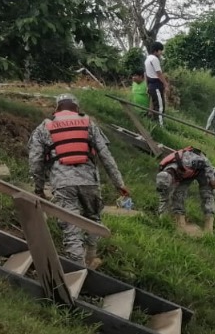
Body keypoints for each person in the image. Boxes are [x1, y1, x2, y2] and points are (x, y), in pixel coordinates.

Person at [28, 93, 129, 268]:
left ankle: (77, 267)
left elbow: (35, 160)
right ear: (77, 109)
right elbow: (106, 156)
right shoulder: (89, 124)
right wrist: (119, 184)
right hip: (89, 181)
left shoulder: (44, 127)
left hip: (62, 182)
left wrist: (39, 188)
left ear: (56, 108)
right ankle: (90, 258)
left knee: (70, 225)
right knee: (93, 218)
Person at [155, 145, 215, 233]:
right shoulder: (163, 174)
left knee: (207, 194)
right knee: (178, 195)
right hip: (186, 174)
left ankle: (208, 228)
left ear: (172, 178)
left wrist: (211, 178)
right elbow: (163, 198)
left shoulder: (186, 161)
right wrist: (162, 218)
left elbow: (204, 162)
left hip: (201, 170)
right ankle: (180, 224)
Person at [144, 41, 168, 127]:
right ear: (156, 51)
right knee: (160, 107)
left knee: (155, 106)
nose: (161, 52)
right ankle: (161, 126)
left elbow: (146, 74)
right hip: (156, 85)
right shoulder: (154, 59)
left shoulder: (147, 59)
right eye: (160, 50)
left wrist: (147, 86)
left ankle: (154, 124)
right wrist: (165, 84)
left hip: (151, 84)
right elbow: (159, 73)